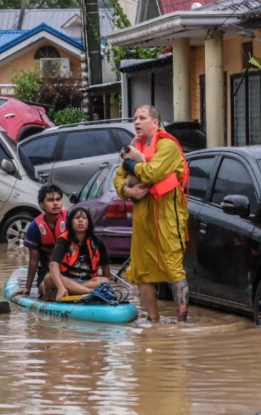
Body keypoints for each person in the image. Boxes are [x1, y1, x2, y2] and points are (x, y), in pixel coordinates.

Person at [113, 104, 190, 323]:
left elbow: (152, 173)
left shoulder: (168, 146)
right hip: (141, 216)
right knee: (141, 270)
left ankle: (182, 325)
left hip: (166, 215)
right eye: (135, 118)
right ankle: (153, 320)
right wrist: (128, 191)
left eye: (142, 118)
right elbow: (117, 178)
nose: (136, 122)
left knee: (173, 268)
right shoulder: (134, 146)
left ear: (155, 123)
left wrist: (129, 164)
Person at [40, 207, 112, 301]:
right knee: (49, 278)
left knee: (104, 281)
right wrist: (60, 287)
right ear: (71, 222)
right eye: (77, 218)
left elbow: (106, 271)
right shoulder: (64, 240)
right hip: (66, 281)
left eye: (84, 218)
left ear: (88, 222)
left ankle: (76, 290)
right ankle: (88, 292)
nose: (80, 220)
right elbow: (53, 265)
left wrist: (106, 286)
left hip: (86, 282)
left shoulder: (98, 242)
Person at [13, 184, 66, 297]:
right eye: (50, 200)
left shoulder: (70, 220)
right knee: (43, 288)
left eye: (58, 199)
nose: (55, 203)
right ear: (42, 205)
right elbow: (33, 260)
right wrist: (27, 287)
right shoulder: (34, 227)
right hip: (47, 269)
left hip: (70, 267)